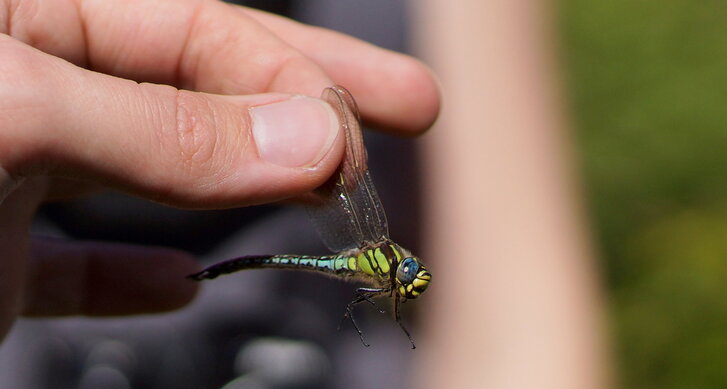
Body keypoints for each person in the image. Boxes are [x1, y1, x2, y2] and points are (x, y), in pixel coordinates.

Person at [0, 0, 440, 339]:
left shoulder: (381, 271)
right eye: (409, 274)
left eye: (409, 279)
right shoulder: (375, 242)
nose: (409, 278)